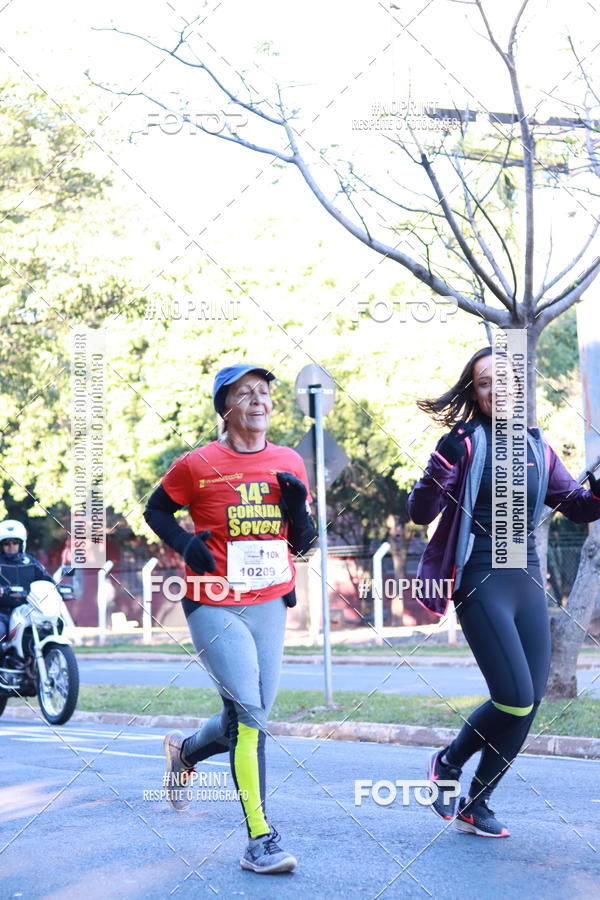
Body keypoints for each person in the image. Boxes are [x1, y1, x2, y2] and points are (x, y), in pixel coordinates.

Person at [408, 346, 600, 837]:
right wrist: (439, 464)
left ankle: (477, 803)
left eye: (506, 381)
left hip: (526, 577)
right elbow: (420, 511)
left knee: (530, 700)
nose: (497, 390)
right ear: (476, 392)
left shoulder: (538, 447)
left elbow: (577, 507)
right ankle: (447, 762)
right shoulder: (465, 442)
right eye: (486, 382)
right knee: (513, 696)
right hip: (479, 575)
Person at [144, 364, 316, 874]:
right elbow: (155, 511)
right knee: (253, 720)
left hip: (269, 600)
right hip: (213, 599)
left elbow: (302, 544)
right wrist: (183, 543)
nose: (259, 401)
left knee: (246, 715)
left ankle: (186, 753)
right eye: (246, 394)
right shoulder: (196, 465)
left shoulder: (289, 461)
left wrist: (299, 506)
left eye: (264, 393)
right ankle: (259, 840)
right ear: (226, 408)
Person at [0, 519, 54, 643]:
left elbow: (46, 579)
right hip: (4, 613)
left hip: (30, 610)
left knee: (51, 627)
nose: (11, 546)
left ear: (21, 544)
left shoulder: (31, 562)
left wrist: (58, 587)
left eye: (15, 543)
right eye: (6, 543)